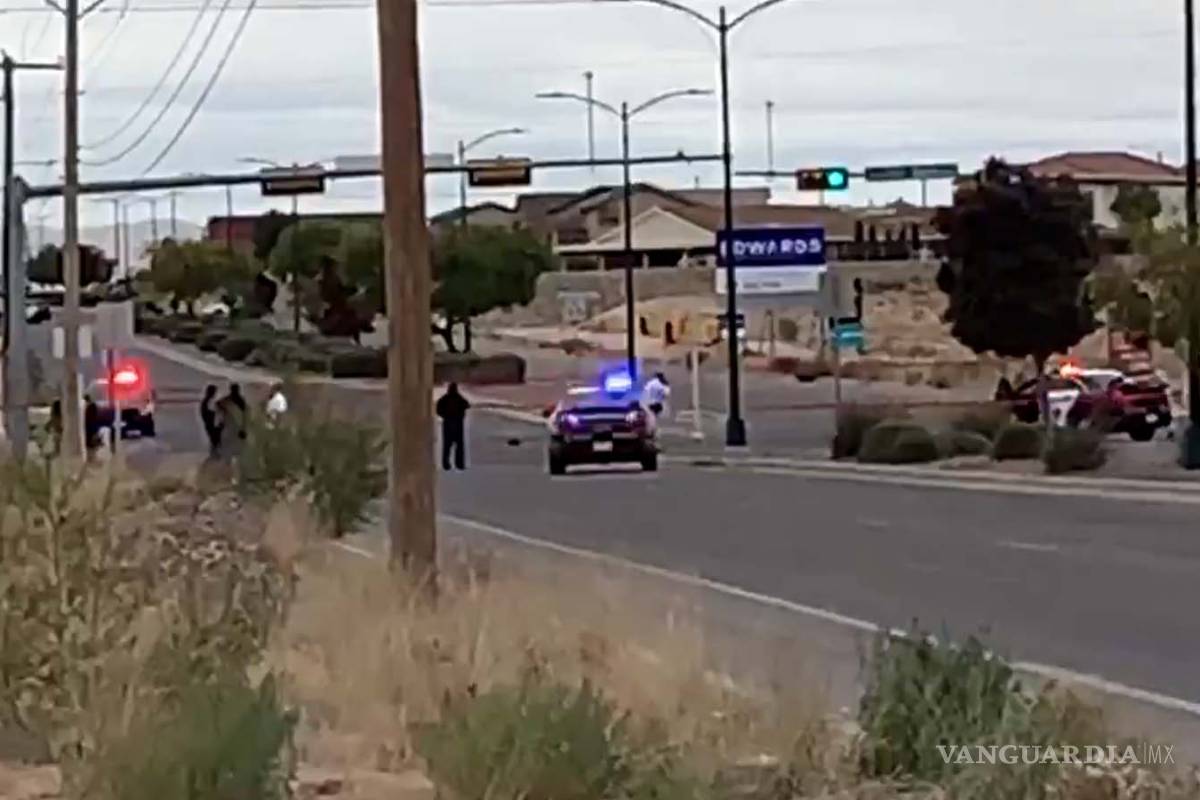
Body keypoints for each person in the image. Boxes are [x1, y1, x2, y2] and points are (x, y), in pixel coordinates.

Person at [436, 383, 471, 471]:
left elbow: (438, 409)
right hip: (457, 424)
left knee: (447, 446)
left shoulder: (445, 398)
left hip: (448, 424)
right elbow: (467, 405)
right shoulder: (458, 398)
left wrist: (444, 415)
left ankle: (446, 464)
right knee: (459, 446)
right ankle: (459, 464)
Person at [199, 385, 222, 457]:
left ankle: (214, 456)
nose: (215, 394)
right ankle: (215, 457)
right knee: (216, 441)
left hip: (209, 424)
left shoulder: (205, 401)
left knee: (214, 441)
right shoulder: (209, 402)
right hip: (212, 425)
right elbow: (213, 413)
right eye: (214, 392)